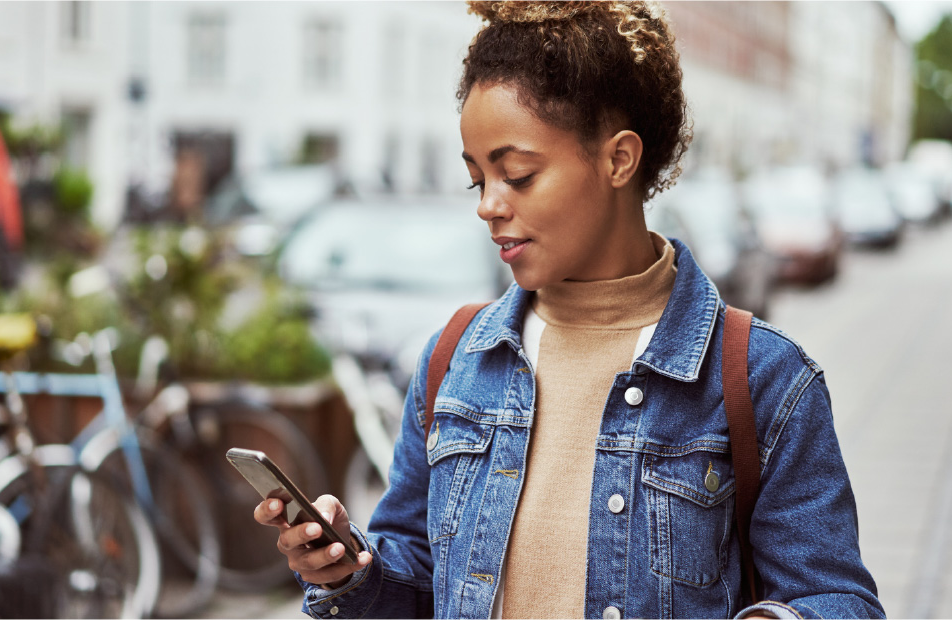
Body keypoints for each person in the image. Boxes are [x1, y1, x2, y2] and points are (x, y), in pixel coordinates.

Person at [254, 2, 884, 618]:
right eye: (478, 179)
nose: (489, 205)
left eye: (518, 175)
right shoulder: (456, 359)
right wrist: (353, 571)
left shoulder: (764, 380)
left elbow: (839, 600)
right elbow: (418, 577)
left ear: (619, 159)